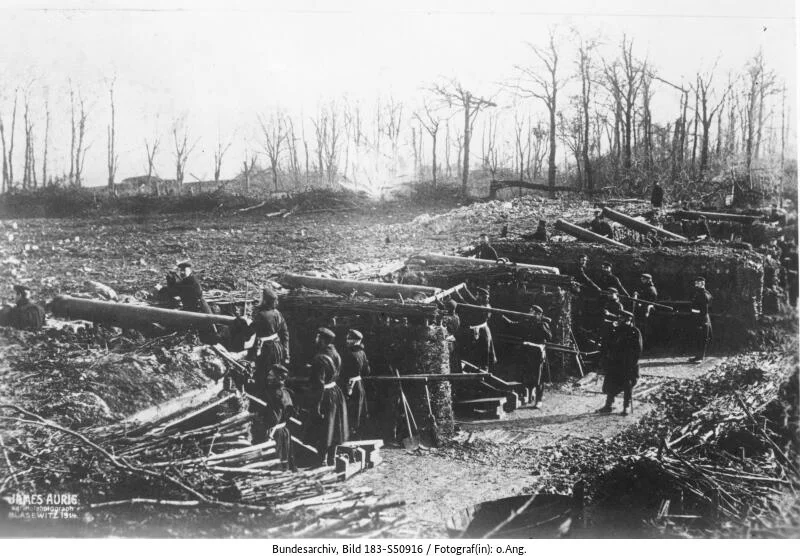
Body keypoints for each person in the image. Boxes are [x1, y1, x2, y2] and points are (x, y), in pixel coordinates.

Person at [308, 327, 348, 466]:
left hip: (324, 395)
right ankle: (332, 458)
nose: (315, 339)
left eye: (317, 337)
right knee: (335, 427)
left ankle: (322, 460)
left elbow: (319, 384)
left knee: (324, 428)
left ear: (323, 340)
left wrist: (316, 405)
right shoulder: (336, 354)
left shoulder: (319, 359)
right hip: (336, 392)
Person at [503, 305, 552, 408]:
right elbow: (513, 325)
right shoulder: (526, 322)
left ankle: (538, 400)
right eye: (530, 311)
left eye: (532, 312)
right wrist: (503, 317)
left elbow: (549, 337)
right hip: (526, 351)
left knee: (538, 377)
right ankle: (529, 397)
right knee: (526, 374)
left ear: (538, 314)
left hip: (537, 353)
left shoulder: (543, 324)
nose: (529, 313)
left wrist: (541, 326)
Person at [246, 287, 291, 400]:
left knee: (263, 374)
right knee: (275, 373)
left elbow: (250, 331)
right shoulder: (278, 314)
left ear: (265, 301)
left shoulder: (261, 315)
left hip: (266, 350)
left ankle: (262, 399)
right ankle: (276, 396)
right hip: (277, 348)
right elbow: (285, 333)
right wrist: (286, 351)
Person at [597, 312, 642, 416]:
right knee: (611, 383)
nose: (620, 320)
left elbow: (638, 350)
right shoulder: (616, 330)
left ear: (629, 320)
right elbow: (608, 344)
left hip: (628, 364)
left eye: (623, 319)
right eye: (620, 318)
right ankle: (608, 405)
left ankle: (626, 406)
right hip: (615, 362)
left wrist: (632, 363)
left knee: (627, 385)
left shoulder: (634, 332)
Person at [260, 364, 296, 471]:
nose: (268, 378)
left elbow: (274, 418)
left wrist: (265, 424)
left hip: (276, 434)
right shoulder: (286, 392)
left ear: (278, 378)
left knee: (277, 462)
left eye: (271, 376)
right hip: (284, 431)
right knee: (285, 460)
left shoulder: (276, 394)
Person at [453, 286, 497, 372]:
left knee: (484, 352)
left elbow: (466, 304)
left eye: (478, 295)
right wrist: (465, 289)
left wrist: (457, 294)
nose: (476, 296)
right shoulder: (482, 303)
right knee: (478, 351)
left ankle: (484, 371)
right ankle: (478, 368)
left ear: (481, 297)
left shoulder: (484, 307)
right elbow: (472, 299)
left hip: (483, 332)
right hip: (482, 330)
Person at [339, 329, 371, 439]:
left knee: (350, 412)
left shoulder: (348, 354)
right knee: (359, 412)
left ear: (355, 341)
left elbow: (341, 371)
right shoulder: (362, 353)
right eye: (348, 338)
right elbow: (367, 371)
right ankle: (357, 435)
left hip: (349, 386)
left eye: (350, 338)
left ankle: (350, 437)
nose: (347, 340)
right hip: (359, 385)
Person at [688, 276, 712, 363]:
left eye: (697, 283)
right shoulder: (698, 293)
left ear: (702, 284)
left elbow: (704, 310)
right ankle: (697, 356)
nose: (695, 284)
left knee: (702, 338)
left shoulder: (704, 294)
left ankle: (700, 357)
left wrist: (701, 321)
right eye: (695, 283)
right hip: (696, 318)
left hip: (702, 319)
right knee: (697, 338)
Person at [633, 273, 658, 348]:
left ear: (648, 280)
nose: (642, 280)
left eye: (643, 279)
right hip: (642, 309)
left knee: (646, 328)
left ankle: (647, 345)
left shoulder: (651, 288)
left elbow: (651, 300)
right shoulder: (645, 287)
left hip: (648, 310)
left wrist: (645, 307)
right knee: (642, 326)